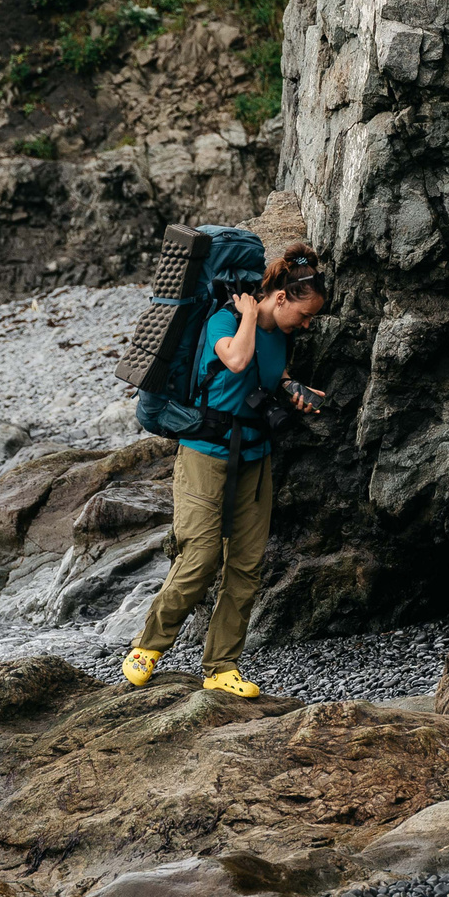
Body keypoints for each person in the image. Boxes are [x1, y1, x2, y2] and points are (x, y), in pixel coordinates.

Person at [121, 244, 328, 698]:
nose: (308, 325)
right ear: (279, 299)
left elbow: (265, 372)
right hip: (204, 455)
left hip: (256, 458)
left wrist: (292, 386)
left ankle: (221, 666)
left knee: (247, 566)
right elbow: (235, 359)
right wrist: (248, 314)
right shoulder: (224, 321)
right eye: (305, 315)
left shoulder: (282, 336)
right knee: (199, 558)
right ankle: (147, 648)